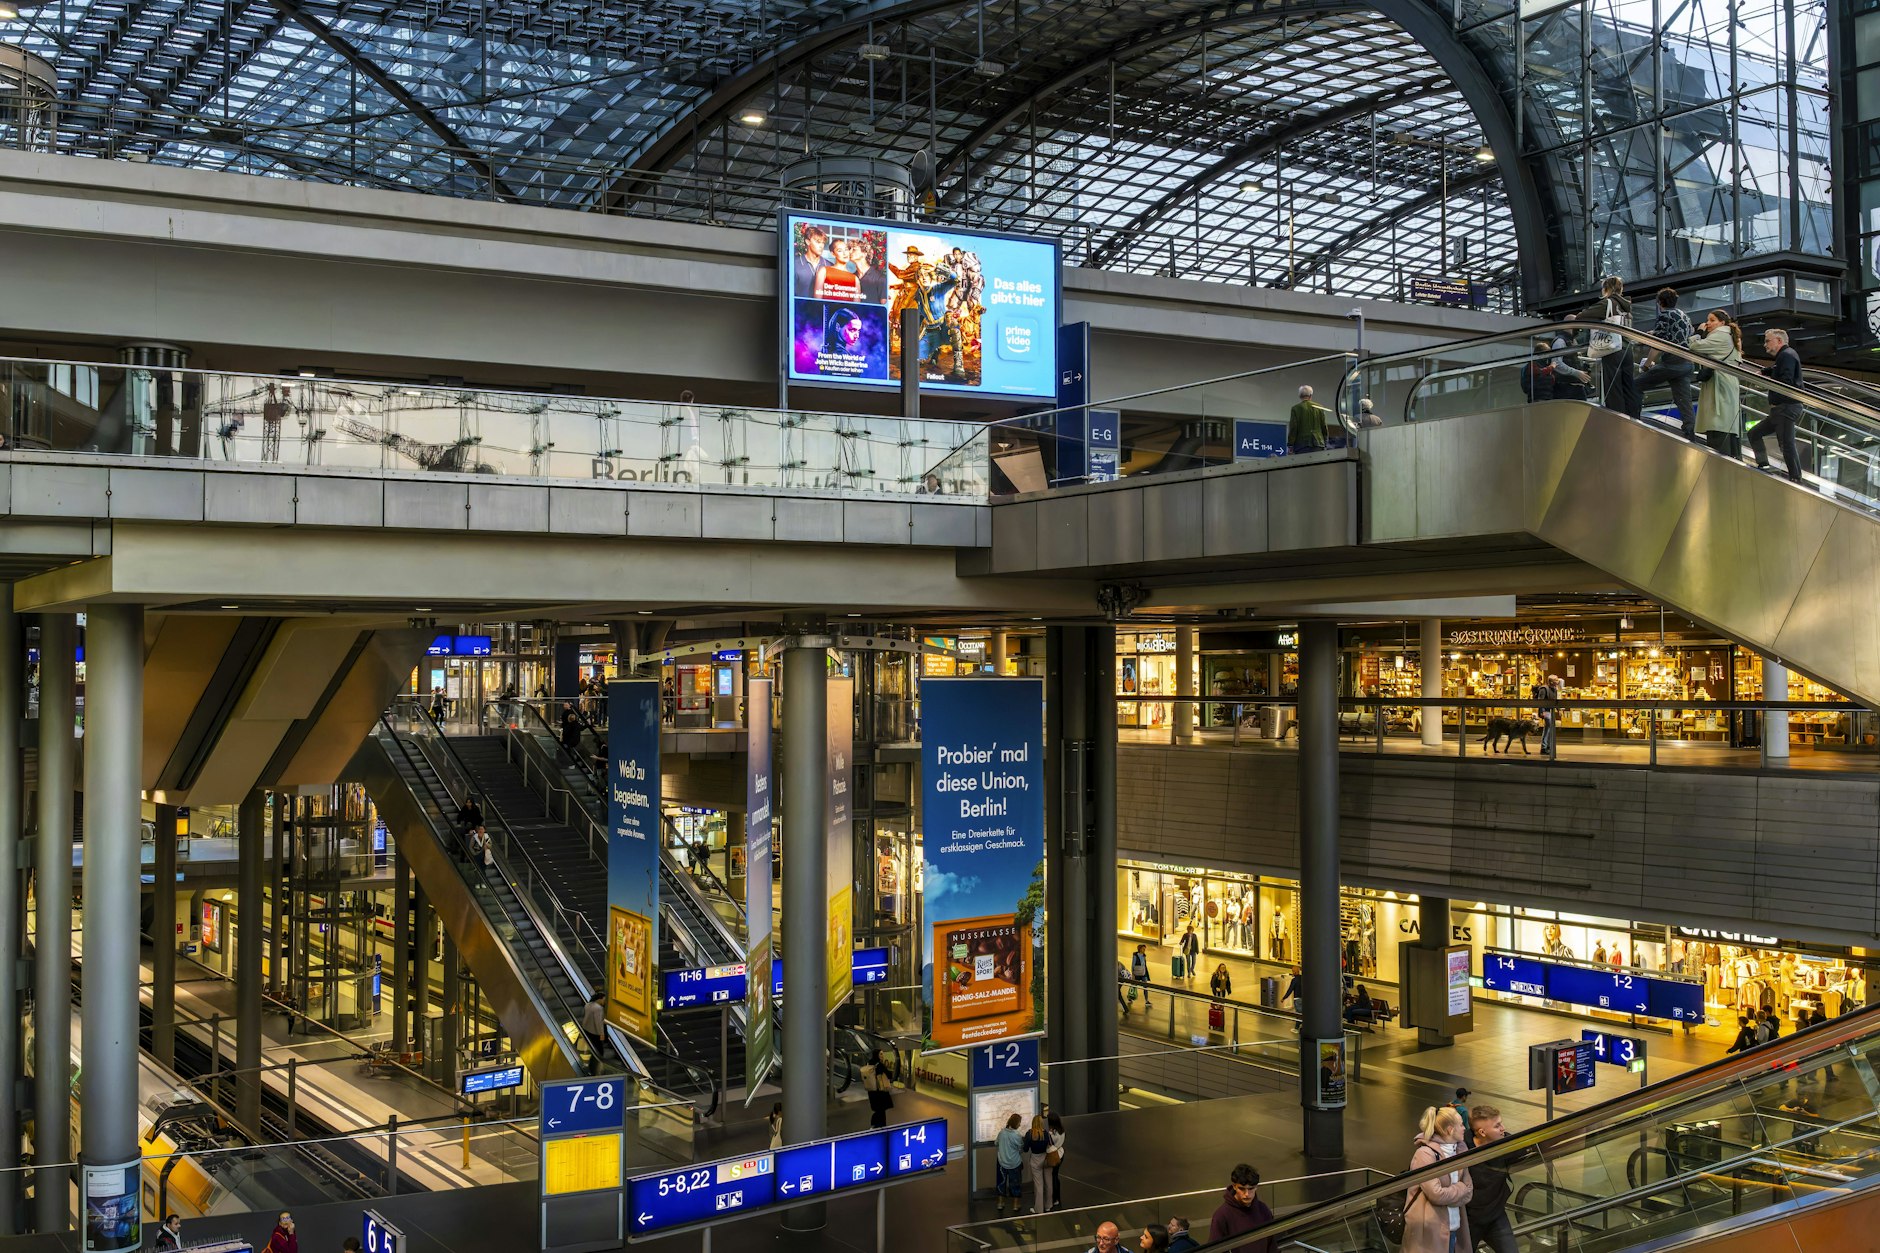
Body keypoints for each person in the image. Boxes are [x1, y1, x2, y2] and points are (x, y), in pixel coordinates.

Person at [1404, 1107, 1472, 1253]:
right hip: (1430, 1231)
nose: (1464, 1128)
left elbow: (1469, 1191)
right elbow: (1436, 1195)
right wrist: (1459, 1189)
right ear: (1449, 1130)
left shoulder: (1460, 1151)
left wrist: (1450, 1193)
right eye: (1461, 1124)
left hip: (1455, 1227)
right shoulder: (1424, 1154)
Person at [1573, 275, 1641, 418]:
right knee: (1628, 386)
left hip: (1612, 349)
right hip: (1628, 350)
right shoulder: (1627, 307)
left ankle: (1618, 420)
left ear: (1606, 289)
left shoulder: (1608, 303)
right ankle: (1634, 419)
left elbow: (1581, 317)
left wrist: (1597, 320)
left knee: (1613, 388)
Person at [1636, 287, 1698, 437]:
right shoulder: (1683, 315)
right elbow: (1688, 332)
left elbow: (1659, 343)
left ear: (1659, 303)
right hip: (1687, 362)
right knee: (1684, 400)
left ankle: (1633, 419)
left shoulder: (1664, 315)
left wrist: (1647, 364)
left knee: (1636, 385)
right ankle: (1689, 433)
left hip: (1672, 362)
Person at [1749, 327, 1805, 484]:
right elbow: (1780, 370)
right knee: (1754, 433)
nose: (1765, 345)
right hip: (1780, 410)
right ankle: (1764, 464)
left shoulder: (1786, 355)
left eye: (1768, 341)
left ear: (1779, 341)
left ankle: (1795, 478)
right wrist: (1766, 371)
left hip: (1786, 408)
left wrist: (1767, 380)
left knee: (1786, 445)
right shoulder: (1786, 356)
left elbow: (1785, 381)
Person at [1689, 309, 1744, 457]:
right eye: (1708, 320)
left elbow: (1693, 346)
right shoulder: (1732, 337)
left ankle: (1721, 464)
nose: (1708, 323)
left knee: (1718, 426)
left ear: (1722, 323)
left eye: (1712, 320)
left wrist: (1699, 332)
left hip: (1719, 386)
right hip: (1728, 383)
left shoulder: (1720, 336)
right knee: (1726, 427)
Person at [1465, 1106, 1516, 1253]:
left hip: (1495, 1216)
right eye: (1497, 1126)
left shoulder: (1505, 1142)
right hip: (1468, 1221)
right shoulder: (1461, 1150)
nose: (1503, 1128)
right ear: (1482, 1132)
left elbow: (1533, 1145)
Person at [1207, 1162, 1276, 1253]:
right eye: (1242, 1189)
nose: (1247, 1194)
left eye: (1251, 1189)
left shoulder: (1263, 1210)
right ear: (1234, 1186)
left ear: (1256, 1187)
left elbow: (1272, 1245)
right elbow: (1215, 1249)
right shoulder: (1221, 1215)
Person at [995, 1112, 1025, 1214]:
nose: (1020, 1125)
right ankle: (1016, 1204)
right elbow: (1021, 1148)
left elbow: (996, 1143)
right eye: (1019, 1123)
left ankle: (1000, 1203)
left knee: (1001, 1183)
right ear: (1016, 1123)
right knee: (1015, 1184)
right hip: (1014, 1164)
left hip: (1001, 1163)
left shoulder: (1002, 1133)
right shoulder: (1017, 1135)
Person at [1024, 1113, 1054, 1213]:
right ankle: (1048, 1205)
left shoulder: (1029, 1134)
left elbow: (1025, 1149)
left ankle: (1038, 1209)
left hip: (1035, 1159)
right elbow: (1052, 1146)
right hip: (1046, 1159)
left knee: (1038, 1185)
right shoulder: (1046, 1133)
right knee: (1049, 1183)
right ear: (1041, 1123)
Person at [1287, 385, 1328, 454]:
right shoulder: (1319, 407)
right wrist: (1325, 442)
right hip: (1318, 444)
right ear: (1310, 395)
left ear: (1300, 396)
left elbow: (1293, 428)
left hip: (1301, 445)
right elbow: (1324, 426)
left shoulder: (1296, 409)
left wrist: (1290, 445)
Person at [862, 1048, 895, 1128]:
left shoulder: (869, 1063)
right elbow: (889, 1075)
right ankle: (881, 1126)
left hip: (872, 1090)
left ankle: (874, 1124)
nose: (882, 1056)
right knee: (881, 1110)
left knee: (877, 1109)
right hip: (880, 1090)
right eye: (880, 1054)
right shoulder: (879, 1065)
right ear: (877, 1055)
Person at [582, 991, 608, 1072]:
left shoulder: (588, 1005)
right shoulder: (598, 1008)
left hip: (586, 1029)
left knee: (589, 1047)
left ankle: (586, 1063)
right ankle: (595, 1068)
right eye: (604, 999)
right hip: (595, 1033)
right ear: (600, 999)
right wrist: (602, 1034)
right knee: (599, 1051)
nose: (605, 1002)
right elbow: (598, 1022)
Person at [1046, 1111, 1068, 1209]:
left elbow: (1049, 1145)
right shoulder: (1062, 1131)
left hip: (1053, 1156)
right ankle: (1057, 1198)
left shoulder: (1051, 1134)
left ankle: (1054, 1199)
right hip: (1061, 1154)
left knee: (1053, 1177)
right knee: (1056, 1176)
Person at [1131, 943, 1153, 1008]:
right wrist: (1133, 974)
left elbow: (1144, 964)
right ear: (1140, 949)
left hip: (1143, 973)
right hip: (1137, 973)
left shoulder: (1144, 955)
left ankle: (1146, 1000)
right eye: (1143, 949)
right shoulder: (1135, 955)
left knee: (1145, 986)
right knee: (1134, 986)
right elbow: (1133, 965)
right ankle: (1130, 996)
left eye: (1144, 949)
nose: (1144, 950)